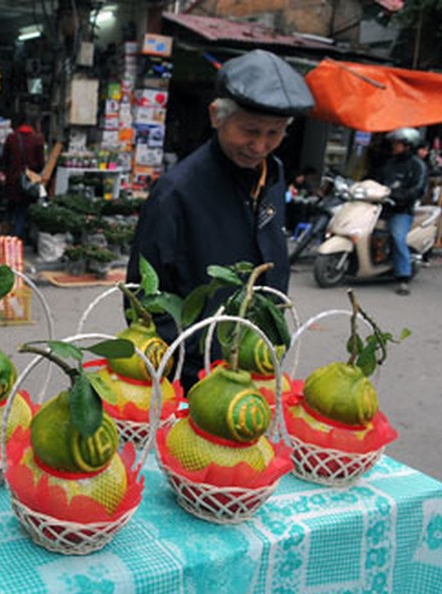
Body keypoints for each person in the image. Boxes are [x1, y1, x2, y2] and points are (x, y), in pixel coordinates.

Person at [126, 49, 314, 390]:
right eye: (250, 130)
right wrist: (180, 367)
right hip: (193, 376)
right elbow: (142, 297)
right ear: (217, 116)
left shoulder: (274, 173)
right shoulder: (175, 193)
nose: (259, 146)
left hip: (255, 366)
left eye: (274, 133)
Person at [375, 128, 428, 296]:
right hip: (381, 207)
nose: (394, 146)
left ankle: (403, 277)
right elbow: (377, 180)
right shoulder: (389, 163)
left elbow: (418, 189)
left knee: (397, 237)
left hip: (401, 210)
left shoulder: (418, 166)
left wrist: (400, 197)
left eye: (397, 143)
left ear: (407, 146)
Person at [0, 109, 45, 240]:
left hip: (12, 180)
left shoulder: (12, 138)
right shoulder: (38, 139)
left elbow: (4, 159)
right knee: (22, 211)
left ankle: (3, 238)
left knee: (9, 210)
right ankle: (16, 239)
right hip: (27, 182)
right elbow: (40, 164)